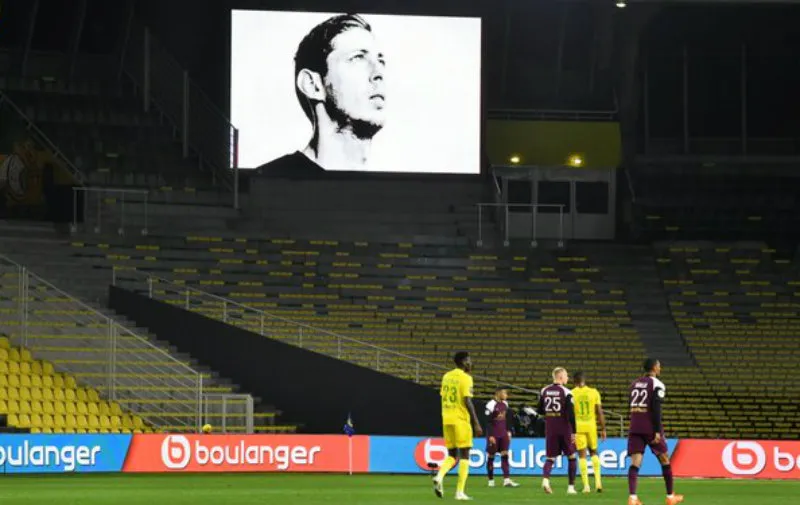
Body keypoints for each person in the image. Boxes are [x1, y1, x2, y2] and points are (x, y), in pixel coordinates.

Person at [256, 13, 387, 176]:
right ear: (312, 85)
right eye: (358, 58)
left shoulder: (398, 190)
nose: (379, 73)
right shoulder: (270, 181)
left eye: (381, 61)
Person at [627, 358, 684, 505]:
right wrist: (657, 431)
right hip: (650, 427)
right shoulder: (657, 384)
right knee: (665, 460)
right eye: (659, 365)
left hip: (634, 426)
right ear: (654, 367)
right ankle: (670, 497)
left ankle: (633, 498)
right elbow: (656, 408)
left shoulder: (634, 384)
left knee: (635, 463)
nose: (660, 368)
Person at [433, 351, 483, 501]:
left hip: (446, 418)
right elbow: (468, 401)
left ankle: (439, 475)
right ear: (463, 362)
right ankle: (459, 492)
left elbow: (443, 396)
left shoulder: (446, 376)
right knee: (465, 455)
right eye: (469, 360)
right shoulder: (466, 378)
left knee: (452, 455)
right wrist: (476, 423)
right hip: (461, 419)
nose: (471, 363)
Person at [537, 367, 578, 495]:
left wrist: (550, 413)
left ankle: (545, 480)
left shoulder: (544, 390)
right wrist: (574, 432)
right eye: (566, 376)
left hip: (550, 428)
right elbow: (571, 414)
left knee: (550, 458)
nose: (568, 378)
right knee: (572, 457)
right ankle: (571, 487)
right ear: (560, 377)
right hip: (564, 428)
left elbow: (539, 410)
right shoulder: (566, 392)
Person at [572, 371, 606, 493]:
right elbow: (599, 412)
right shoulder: (594, 392)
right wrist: (603, 429)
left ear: (574, 381)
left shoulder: (571, 394)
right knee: (594, 452)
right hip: (591, 427)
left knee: (581, 456)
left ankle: (586, 486)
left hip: (578, 427)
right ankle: (598, 483)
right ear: (584, 380)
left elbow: (569, 414)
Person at [484, 387, 520, 488]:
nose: (506, 395)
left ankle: (506, 480)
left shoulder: (505, 404)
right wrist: (490, 435)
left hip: (503, 434)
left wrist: (508, 431)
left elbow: (507, 419)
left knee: (505, 455)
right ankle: (491, 481)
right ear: (498, 393)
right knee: (491, 457)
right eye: (504, 393)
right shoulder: (490, 405)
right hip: (494, 435)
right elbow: (487, 421)